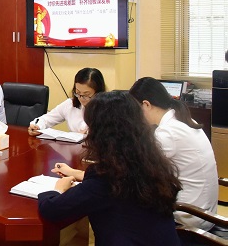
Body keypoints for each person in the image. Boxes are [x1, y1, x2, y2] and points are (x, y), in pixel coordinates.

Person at [38, 91, 181, 245]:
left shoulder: (107, 178)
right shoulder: (151, 162)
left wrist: (58, 189)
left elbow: (52, 210)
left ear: (100, 133)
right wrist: (77, 174)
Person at [130, 77, 218, 230]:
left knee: (132, 203)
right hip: (206, 212)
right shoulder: (184, 120)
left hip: (190, 217)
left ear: (146, 105)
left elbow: (139, 168)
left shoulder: (168, 132)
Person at [28, 67, 105, 135]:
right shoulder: (70, 104)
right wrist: (37, 126)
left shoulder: (106, 109)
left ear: (98, 92)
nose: (81, 98)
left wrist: (89, 135)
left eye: (86, 95)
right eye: (78, 93)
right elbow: (46, 119)